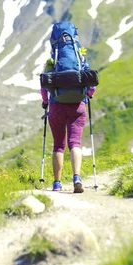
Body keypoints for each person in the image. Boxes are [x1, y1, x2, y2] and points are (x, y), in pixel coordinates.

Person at [40, 48, 95, 193]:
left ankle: (57, 184)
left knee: (58, 145)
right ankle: (77, 177)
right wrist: (88, 95)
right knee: (75, 142)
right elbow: (91, 82)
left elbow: (44, 85)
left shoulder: (52, 61)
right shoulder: (80, 59)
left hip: (56, 106)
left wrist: (46, 102)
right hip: (78, 105)